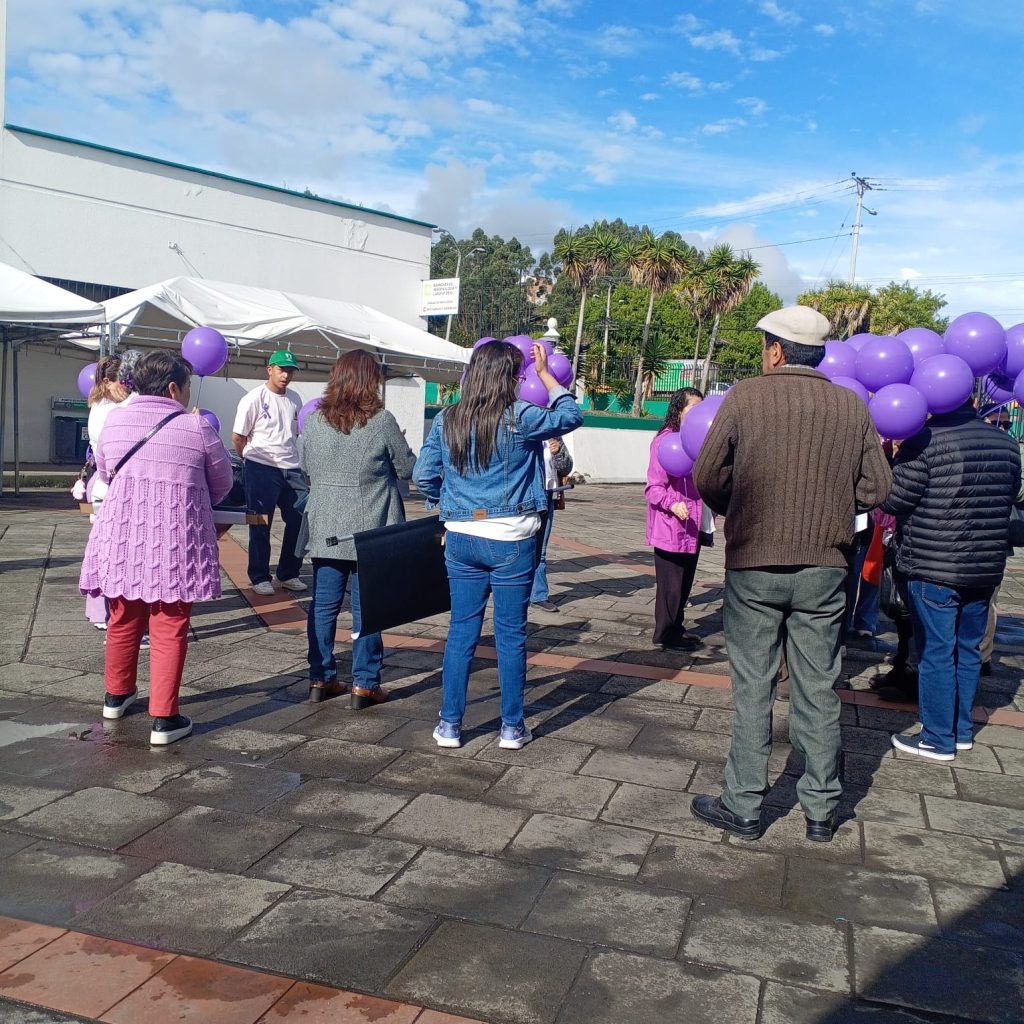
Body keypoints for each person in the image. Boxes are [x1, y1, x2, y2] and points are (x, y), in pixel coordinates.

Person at [690, 305, 891, 843]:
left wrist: (737, 507)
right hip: (826, 566)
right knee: (819, 687)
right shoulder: (851, 406)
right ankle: (822, 810)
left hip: (754, 563)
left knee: (753, 688)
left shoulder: (746, 397)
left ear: (776, 351)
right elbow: (878, 487)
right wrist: (833, 506)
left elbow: (707, 472)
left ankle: (744, 805)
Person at [413, 340, 583, 750]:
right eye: (519, 375)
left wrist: (446, 506)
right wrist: (546, 374)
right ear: (509, 377)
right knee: (510, 636)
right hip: (512, 538)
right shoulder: (520, 416)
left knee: (461, 633)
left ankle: (450, 725)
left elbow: (422, 475)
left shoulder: (448, 417)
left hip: (461, 538)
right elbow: (571, 414)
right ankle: (511, 727)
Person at [79, 351, 233, 745]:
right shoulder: (196, 426)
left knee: (122, 617)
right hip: (175, 543)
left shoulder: (115, 420)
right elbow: (223, 485)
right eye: (186, 385)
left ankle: (116, 696)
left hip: (121, 536)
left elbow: (107, 470)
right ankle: (165, 719)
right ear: (173, 388)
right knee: (169, 625)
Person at [882, 399, 1020, 761]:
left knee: (936, 652)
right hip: (985, 566)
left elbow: (894, 500)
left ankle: (937, 737)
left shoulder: (925, 441)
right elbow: (1011, 495)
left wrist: (894, 463)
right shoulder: (1006, 443)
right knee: (968, 649)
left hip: (934, 564)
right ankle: (960, 731)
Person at [301, 350, 416, 708]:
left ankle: (320, 677)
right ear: (371, 380)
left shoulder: (314, 421)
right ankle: (365, 683)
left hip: (325, 524)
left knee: (323, 606)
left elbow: (305, 465)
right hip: (371, 527)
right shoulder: (381, 421)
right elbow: (407, 468)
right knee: (367, 608)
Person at [232, 350, 306, 596]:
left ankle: (288, 573)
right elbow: (238, 437)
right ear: (270, 369)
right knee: (260, 522)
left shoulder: (295, 398)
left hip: (292, 468)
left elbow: (296, 434)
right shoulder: (254, 397)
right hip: (261, 466)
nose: (286, 375)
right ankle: (259, 575)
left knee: (300, 518)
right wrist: (251, 461)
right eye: (282, 369)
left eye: (290, 371)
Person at [646, 387, 707, 651]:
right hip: (671, 527)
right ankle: (665, 635)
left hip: (692, 525)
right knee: (670, 588)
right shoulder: (665, 442)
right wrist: (673, 504)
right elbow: (653, 488)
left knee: (684, 583)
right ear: (678, 410)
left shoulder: (697, 440)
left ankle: (677, 629)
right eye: (693, 408)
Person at [82, 356, 127, 630]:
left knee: (103, 547)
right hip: (107, 480)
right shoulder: (110, 409)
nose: (127, 387)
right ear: (108, 381)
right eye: (123, 381)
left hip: (102, 480)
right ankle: (104, 611)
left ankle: (101, 610)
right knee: (108, 550)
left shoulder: (100, 404)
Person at [530, 436, 573, 612]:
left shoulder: (553, 434)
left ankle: (538, 595)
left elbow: (567, 467)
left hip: (547, 495)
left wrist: (558, 453)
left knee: (540, 550)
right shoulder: (518, 430)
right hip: (524, 496)